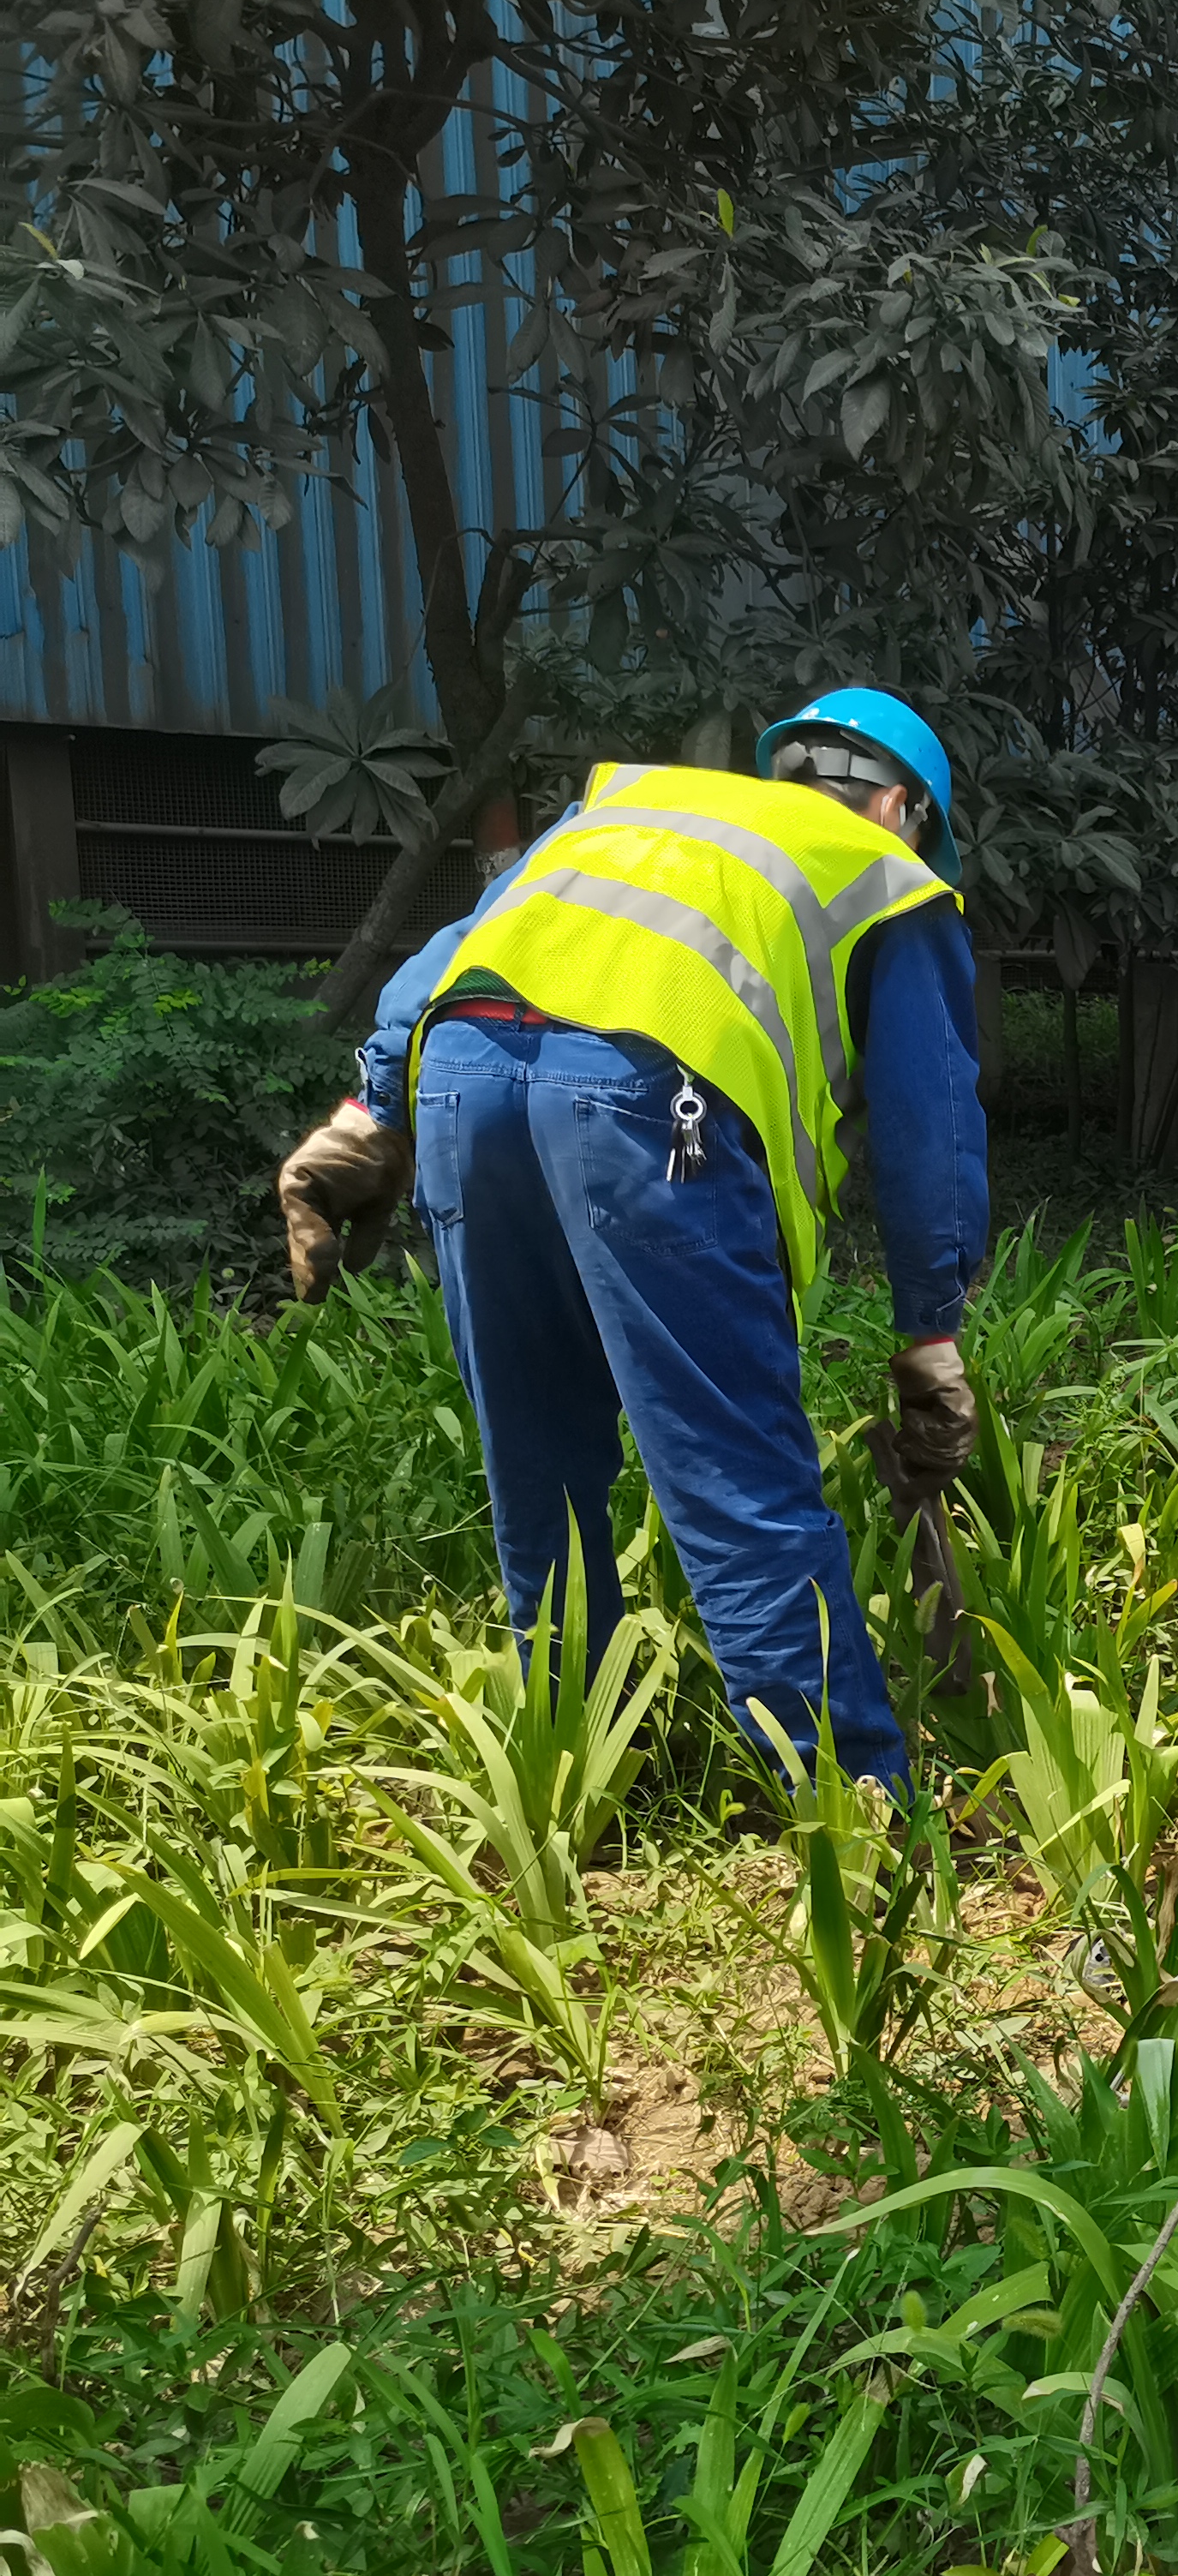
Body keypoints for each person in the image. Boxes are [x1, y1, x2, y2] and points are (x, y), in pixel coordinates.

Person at [272, 690, 992, 1788]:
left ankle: (575, 1775)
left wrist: (367, 1116)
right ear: (903, 805)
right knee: (735, 1477)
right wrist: (928, 1332)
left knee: (539, 1464)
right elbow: (924, 1130)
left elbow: (454, 956)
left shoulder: (626, 805)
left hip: (460, 1083)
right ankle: (855, 1818)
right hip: (659, 1117)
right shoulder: (890, 877)